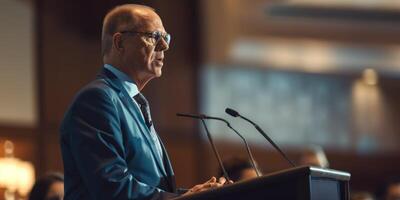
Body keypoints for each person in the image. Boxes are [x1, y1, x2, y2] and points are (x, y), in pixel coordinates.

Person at [59, 4, 226, 200]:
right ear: (119, 43)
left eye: (166, 37)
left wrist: (193, 195)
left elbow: (148, 184)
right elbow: (111, 187)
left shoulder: (134, 102)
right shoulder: (97, 99)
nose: (165, 46)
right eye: (154, 36)